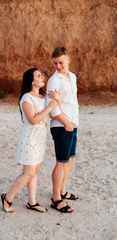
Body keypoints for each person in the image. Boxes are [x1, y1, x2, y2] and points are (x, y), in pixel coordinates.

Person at [1, 68, 59, 213]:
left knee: (35, 171)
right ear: (32, 81)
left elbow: (50, 114)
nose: (42, 78)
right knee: (28, 172)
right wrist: (50, 107)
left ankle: (32, 202)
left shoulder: (44, 95)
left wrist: (56, 101)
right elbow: (33, 120)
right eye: (39, 76)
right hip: (29, 137)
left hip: (41, 137)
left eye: (42, 75)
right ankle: (7, 197)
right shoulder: (26, 98)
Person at [46, 47, 79, 213]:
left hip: (72, 124)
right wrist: (66, 123)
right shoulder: (54, 80)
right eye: (55, 63)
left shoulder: (72, 76)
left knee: (70, 159)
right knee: (61, 162)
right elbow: (52, 108)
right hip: (61, 126)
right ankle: (56, 198)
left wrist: (73, 123)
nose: (58, 66)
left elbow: (71, 101)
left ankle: (62, 191)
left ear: (68, 60)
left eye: (61, 62)